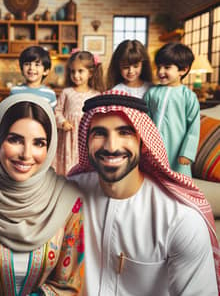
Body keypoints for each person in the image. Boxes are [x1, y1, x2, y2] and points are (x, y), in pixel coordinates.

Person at [68, 90, 220, 295]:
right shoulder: (67, 196)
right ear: (86, 141)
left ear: (142, 141)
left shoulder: (180, 219)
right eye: (100, 133)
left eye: (125, 132)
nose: (111, 146)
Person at [0, 94, 84, 295]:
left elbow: (70, 285)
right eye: (15, 140)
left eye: (39, 143)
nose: (26, 154)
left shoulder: (70, 204)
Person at [144, 42, 200, 177]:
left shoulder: (188, 96)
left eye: (167, 67)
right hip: (153, 148)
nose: (161, 72)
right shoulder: (152, 93)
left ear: (183, 70)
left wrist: (187, 153)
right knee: (153, 179)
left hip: (177, 151)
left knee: (178, 181)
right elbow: (144, 119)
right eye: (159, 67)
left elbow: (193, 128)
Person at [54, 50, 104, 175]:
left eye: (80, 71)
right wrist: (63, 122)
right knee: (67, 165)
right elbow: (57, 111)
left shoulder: (96, 95)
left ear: (90, 73)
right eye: (72, 71)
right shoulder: (67, 92)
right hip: (68, 137)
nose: (76, 75)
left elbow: (99, 117)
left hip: (86, 137)